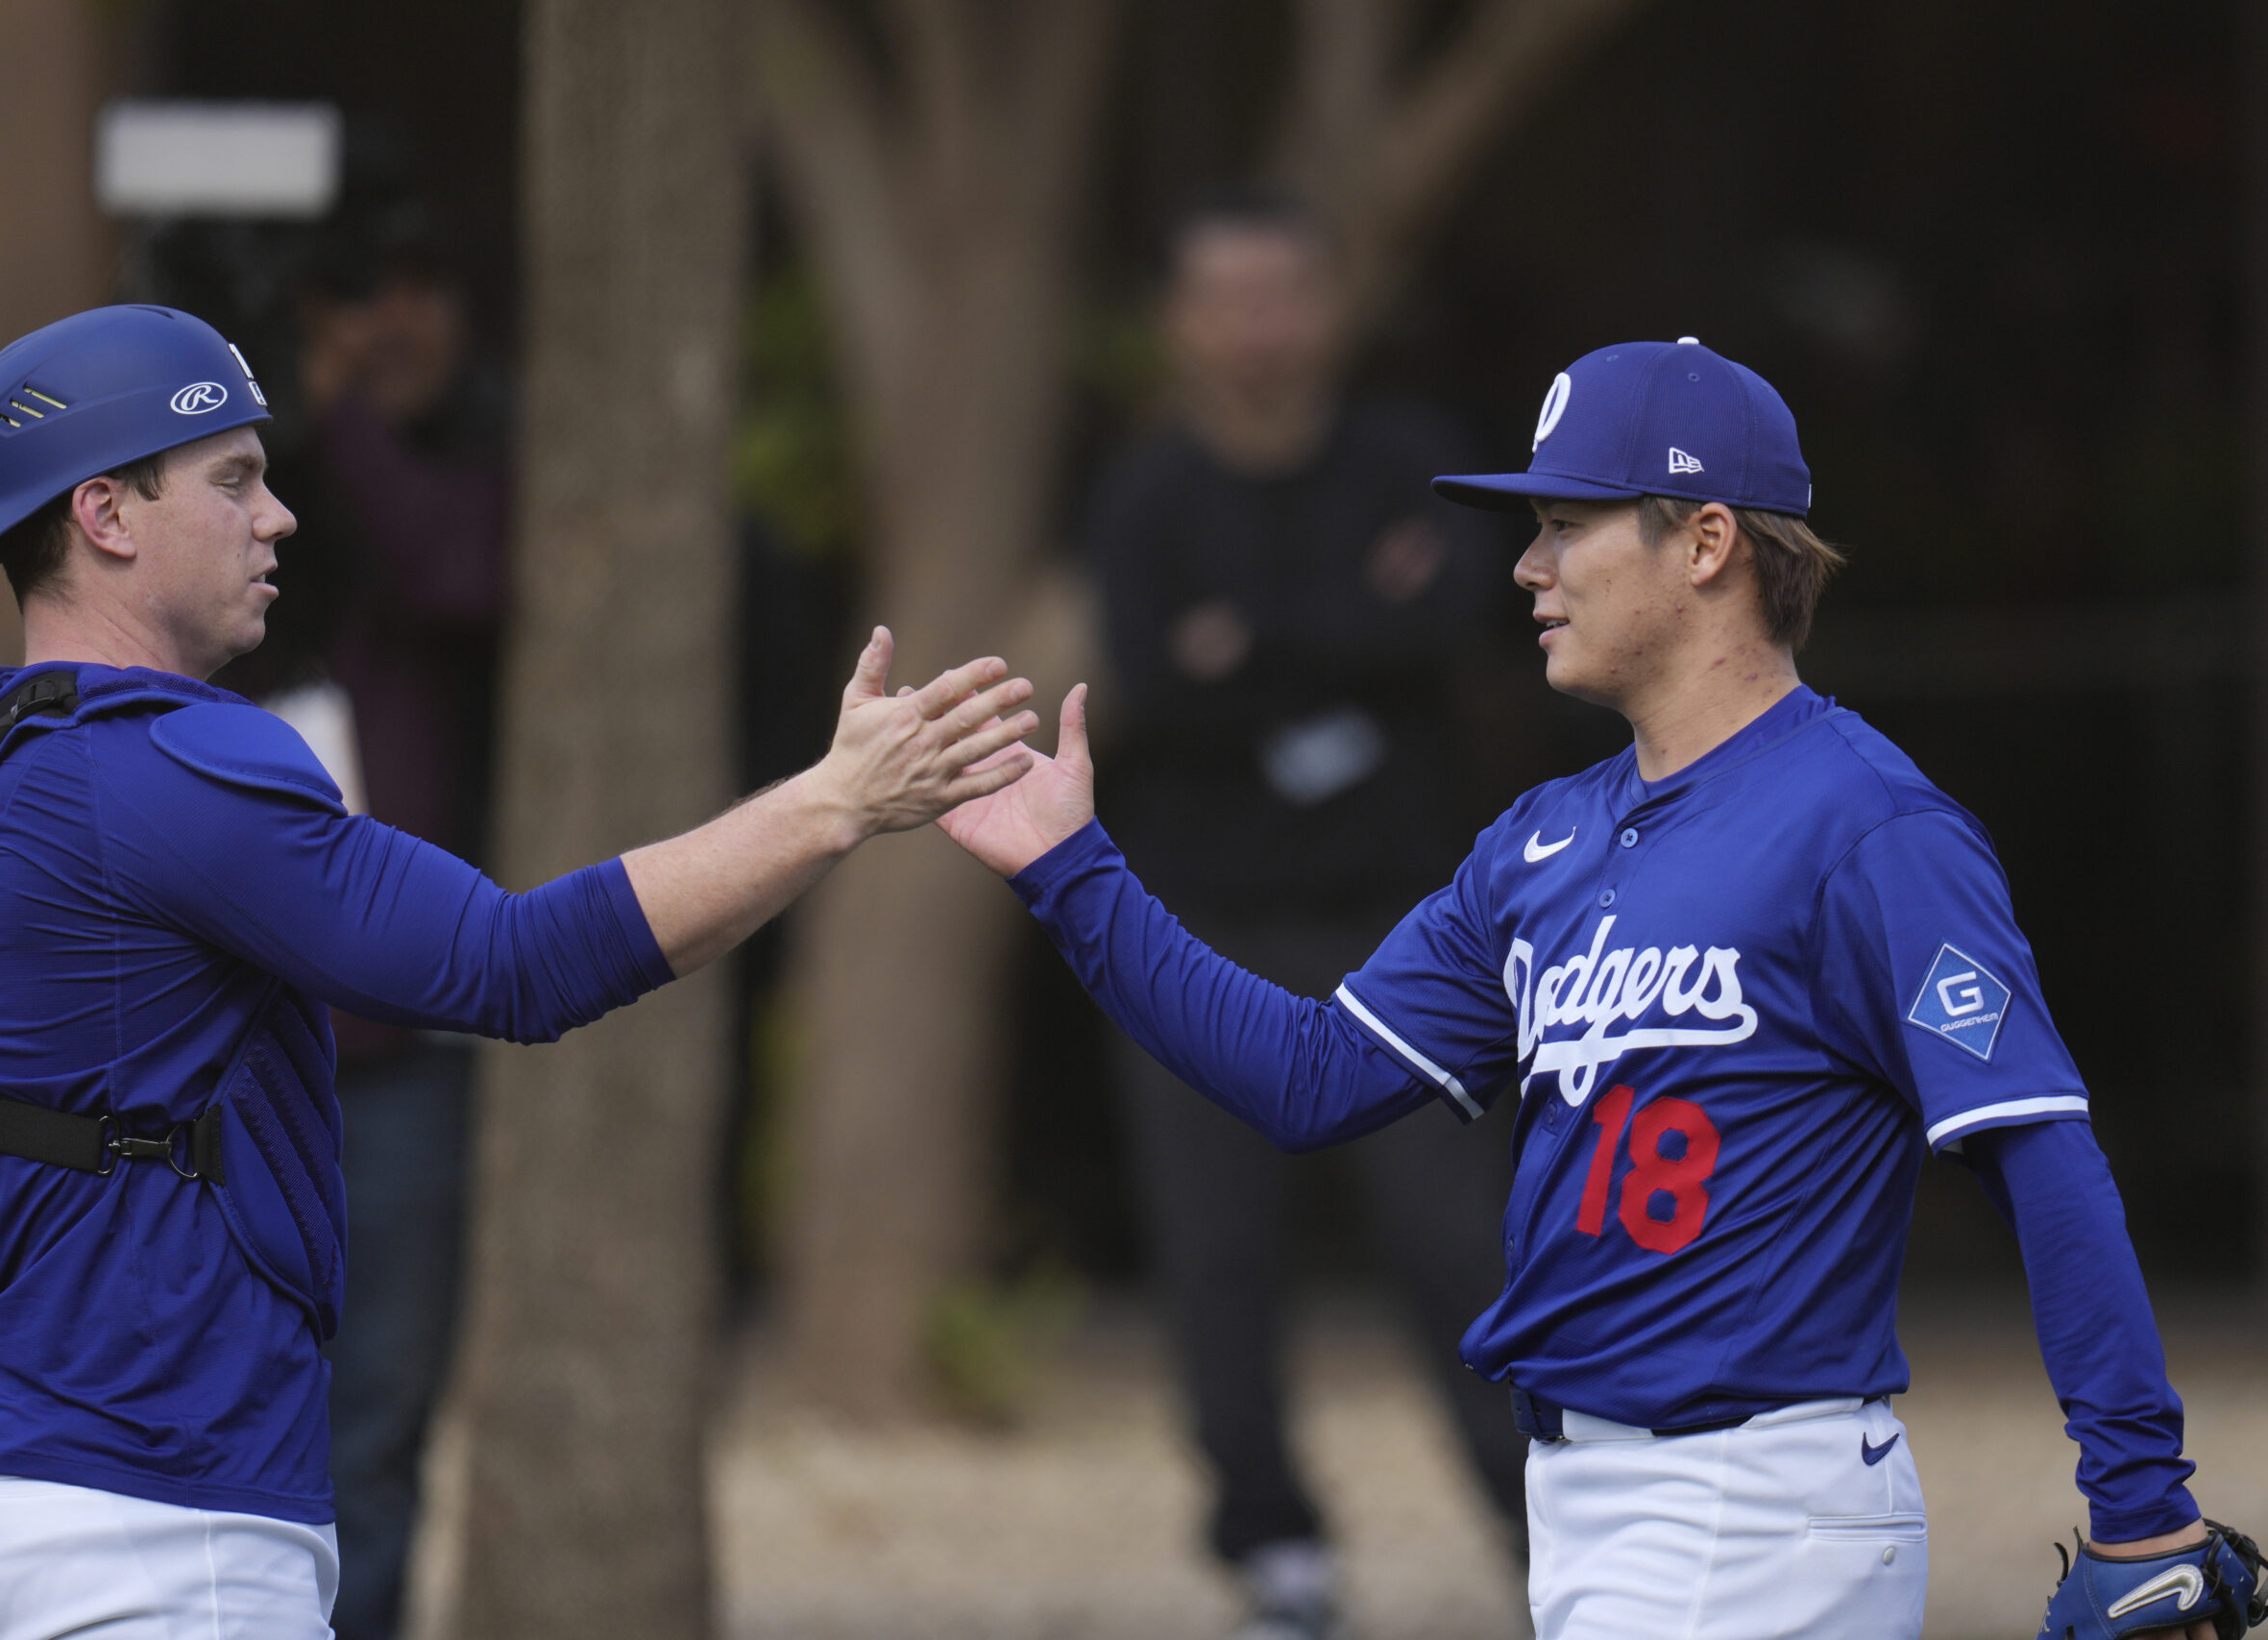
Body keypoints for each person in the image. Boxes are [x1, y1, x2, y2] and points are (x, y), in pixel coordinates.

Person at [938, 337, 2263, 1639]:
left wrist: (2141, 1506)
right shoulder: (1541, 843)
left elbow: (2037, 1150)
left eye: (1568, 524)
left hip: (1748, 1503)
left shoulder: (1866, 827)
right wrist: (1075, 873)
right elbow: (1309, 1078)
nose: (1526, 566)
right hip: (1596, 1507)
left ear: (1704, 542)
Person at [0, 304, 1038, 1638]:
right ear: (107, 515)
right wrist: (834, 803)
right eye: (236, 480)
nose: (282, 519)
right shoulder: (183, 765)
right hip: (154, 1529)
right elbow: (513, 965)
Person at [1085, 186, 1526, 1637]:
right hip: (1200, 936)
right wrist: (1351, 627)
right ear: (1180, 322)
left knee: (1463, 1247)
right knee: (1218, 1258)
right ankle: (1269, 1542)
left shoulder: (1414, 457)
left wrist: (1253, 645)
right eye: (1229, 296)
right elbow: (1153, 680)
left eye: (1286, 292)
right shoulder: (1145, 494)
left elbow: (1462, 619)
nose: (1260, 326)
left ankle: (1551, 1532)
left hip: (1412, 936)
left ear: (1332, 307)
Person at [216, 200, 513, 1640]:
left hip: (395, 1053)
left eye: (416, 286)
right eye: (353, 297)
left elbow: (457, 571)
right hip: (214, 1055)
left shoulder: (459, 474)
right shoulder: (187, 587)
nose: (386, 324)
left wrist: (341, 421)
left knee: (380, 1419)